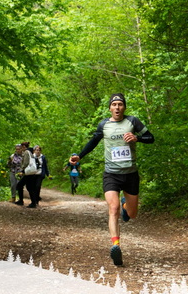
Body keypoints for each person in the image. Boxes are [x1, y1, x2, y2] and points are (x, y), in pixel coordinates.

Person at [72, 93, 154, 266]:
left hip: (131, 174)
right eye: (114, 104)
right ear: (110, 108)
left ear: (124, 107)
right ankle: (116, 246)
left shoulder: (132, 121)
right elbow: (93, 142)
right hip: (111, 174)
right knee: (113, 208)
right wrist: (80, 156)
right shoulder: (104, 125)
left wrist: (137, 138)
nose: (117, 107)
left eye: (120, 104)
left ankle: (126, 206)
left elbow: (151, 138)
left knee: (132, 214)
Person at [15, 142, 41, 208]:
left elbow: (26, 162)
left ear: (24, 146)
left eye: (21, 147)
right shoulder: (30, 152)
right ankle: (33, 202)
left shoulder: (27, 152)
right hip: (31, 172)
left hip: (28, 173)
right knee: (29, 187)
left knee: (21, 185)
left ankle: (24, 201)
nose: (21, 149)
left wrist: (22, 170)